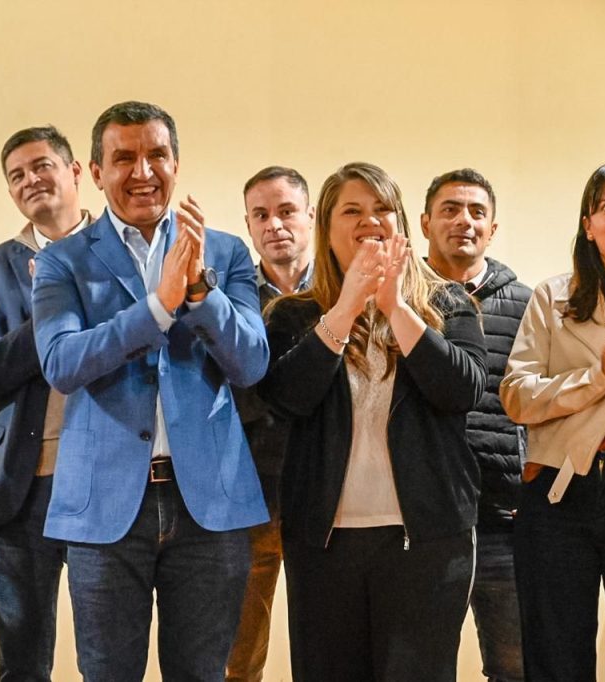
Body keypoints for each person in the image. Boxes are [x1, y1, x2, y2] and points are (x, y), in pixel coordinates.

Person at [31, 101, 269, 681]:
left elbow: (251, 363)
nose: (143, 171)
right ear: (96, 171)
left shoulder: (224, 251)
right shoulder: (62, 260)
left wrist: (199, 292)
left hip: (209, 504)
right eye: (124, 158)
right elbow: (62, 363)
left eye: (157, 155)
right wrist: (158, 307)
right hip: (105, 507)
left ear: (176, 164)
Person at [259, 162, 486, 682]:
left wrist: (396, 307)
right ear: (327, 228)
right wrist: (345, 308)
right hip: (324, 540)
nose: (369, 220)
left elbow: (462, 390)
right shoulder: (292, 315)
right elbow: (287, 398)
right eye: (352, 211)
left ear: (400, 222)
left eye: (381, 209)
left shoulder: (448, 301)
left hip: (428, 538)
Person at [500, 160, 605, 681]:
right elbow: (517, 397)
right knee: (555, 658)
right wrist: (598, 376)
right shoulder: (552, 296)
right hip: (558, 496)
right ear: (588, 225)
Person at [0, 124, 90, 681]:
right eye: (16, 176)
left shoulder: (118, 253)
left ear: (76, 171)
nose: (30, 180)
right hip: (17, 487)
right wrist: (46, 324)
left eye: (41, 166)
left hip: (106, 484)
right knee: (21, 663)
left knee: (109, 658)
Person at [421, 168, 529, 682]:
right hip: (420, 523)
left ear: (493, 228)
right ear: (425, 222)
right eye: (450, 209)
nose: (464, 220)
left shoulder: (528, 305)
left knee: (516, 667)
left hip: (504, 519)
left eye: (476, 212)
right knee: (418, 667)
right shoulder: (401, 299)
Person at [227, 165, 313, 682]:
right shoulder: (232, 294)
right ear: (248, 225)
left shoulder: (339, 288)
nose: (274, 225)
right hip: (251, 487)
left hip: (324, 485)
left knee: (328, 642)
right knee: (239, 652)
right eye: (260, 215)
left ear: (310, 216)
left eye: (286, 211)